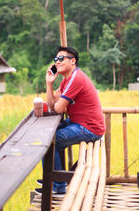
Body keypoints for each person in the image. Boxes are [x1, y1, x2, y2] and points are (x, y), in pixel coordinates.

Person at [35, 46, 105, 195]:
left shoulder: (76, 78)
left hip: (90, 128)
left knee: (48, 142)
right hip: (79, 123)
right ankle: (55, 179)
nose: (57, 62)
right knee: (46, 136)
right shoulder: (66, 80)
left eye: (61, 59)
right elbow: (52, 104)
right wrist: (49, 83)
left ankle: (57, 185)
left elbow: (58, 109)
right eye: (56, 59)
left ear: (72, 61)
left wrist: (56, 104)